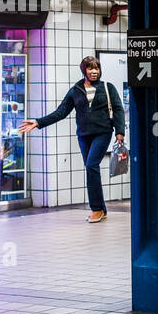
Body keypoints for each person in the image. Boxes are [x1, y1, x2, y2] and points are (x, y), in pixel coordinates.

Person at [19, 56, 125, 223]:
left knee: (91, 165)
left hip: (103, 132)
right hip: (84, 135)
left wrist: (120, 132)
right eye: (90, 68)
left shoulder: (107, 87)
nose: (94, 71)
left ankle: (96, 209)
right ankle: (102, 209)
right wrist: (38, 122)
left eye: (96, 68)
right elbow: (60, 112)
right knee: (91, 168)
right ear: (84, 70)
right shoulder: (76, 90)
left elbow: (118, 109)